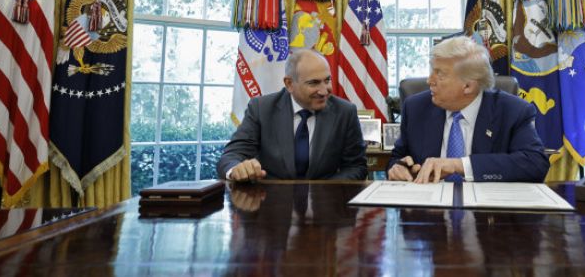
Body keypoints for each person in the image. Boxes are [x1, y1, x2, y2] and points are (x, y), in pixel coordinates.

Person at [387, 36, 549, 183]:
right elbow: (398, 157)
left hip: (487, 203)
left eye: (440, 74)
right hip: (430, 203)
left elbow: (535, 164)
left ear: (468, 86)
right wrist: (398, 167)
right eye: (432, 71)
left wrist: (459, 165)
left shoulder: (512, 111)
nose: (429, 80)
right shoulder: (416, 108)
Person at [218, 48, 367, 181]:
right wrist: (236, 170)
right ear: (289, 84)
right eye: (314, 83)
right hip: (271, 200)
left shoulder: (345, 112)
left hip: (325, 199)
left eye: (327, 80)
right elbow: (232, 156)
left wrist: (323, 191)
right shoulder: (261, 109)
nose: (324, 91)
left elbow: (356, 167)